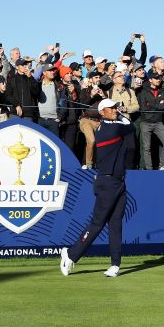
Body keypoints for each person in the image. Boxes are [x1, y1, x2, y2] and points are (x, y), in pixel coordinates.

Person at [60, 98, 136, 278]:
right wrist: (123, 116)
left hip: (118, 181)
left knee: (116, 224)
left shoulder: (113, 125)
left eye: (115, 107)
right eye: (111, 108)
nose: (115, 110)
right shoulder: (109, 129)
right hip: (107, 182)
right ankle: (71, 255)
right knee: (98, 223)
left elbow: (129, 137)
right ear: (102, 112)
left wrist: (120, 114)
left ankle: (115, 265)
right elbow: (130, 126)